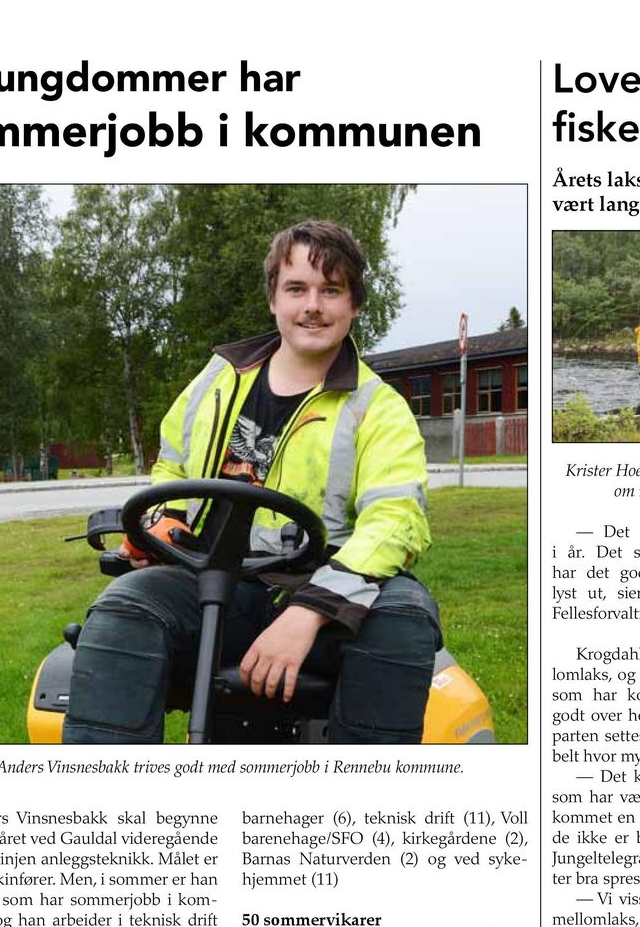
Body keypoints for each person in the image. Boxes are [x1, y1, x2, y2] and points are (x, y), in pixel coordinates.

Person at [62, 220, 441, 745]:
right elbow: (172, 461)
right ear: (273, 300)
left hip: (320, 584)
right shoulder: (218, 378)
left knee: (403, 617)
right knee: (126, 606)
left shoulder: (377, 408)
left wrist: (309, 611)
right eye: (297, 289)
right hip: (208, 578)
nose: (313, 305)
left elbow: (396, 519)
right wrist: (165, 519)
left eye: (331, 290)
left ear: (354, 305)